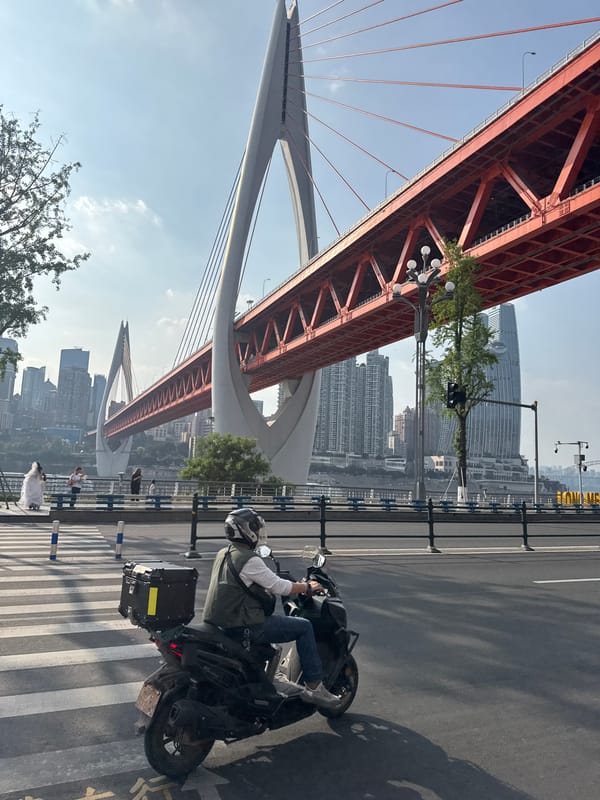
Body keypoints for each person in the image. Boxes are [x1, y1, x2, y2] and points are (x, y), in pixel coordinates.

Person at [203, 507, 340, 708]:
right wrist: (307, 587)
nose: (258, 532)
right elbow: (280, 587)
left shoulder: (224, 553)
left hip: (220, 622)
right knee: (304, 626)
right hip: (245, 626)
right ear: (247, 530)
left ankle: (269, 674)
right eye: (255, 528)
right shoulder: (249, 559)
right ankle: (314, 687)